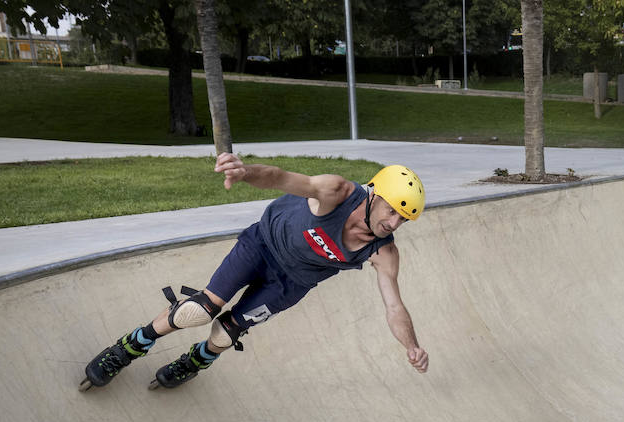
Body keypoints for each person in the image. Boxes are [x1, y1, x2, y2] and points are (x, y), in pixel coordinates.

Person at [82, 155, 429, 390]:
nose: (393, 223)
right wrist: (245, 171)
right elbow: (280, 177)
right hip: (261, 245)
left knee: (228, 331)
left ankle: (197, 360)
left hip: (291, 284)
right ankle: (131, 347)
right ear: (374, 194)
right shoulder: (337, 193)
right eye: (391, 211)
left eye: (403, 219)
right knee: (199, 310)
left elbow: (394, 306)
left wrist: (412, 346)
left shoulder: (383, 251)